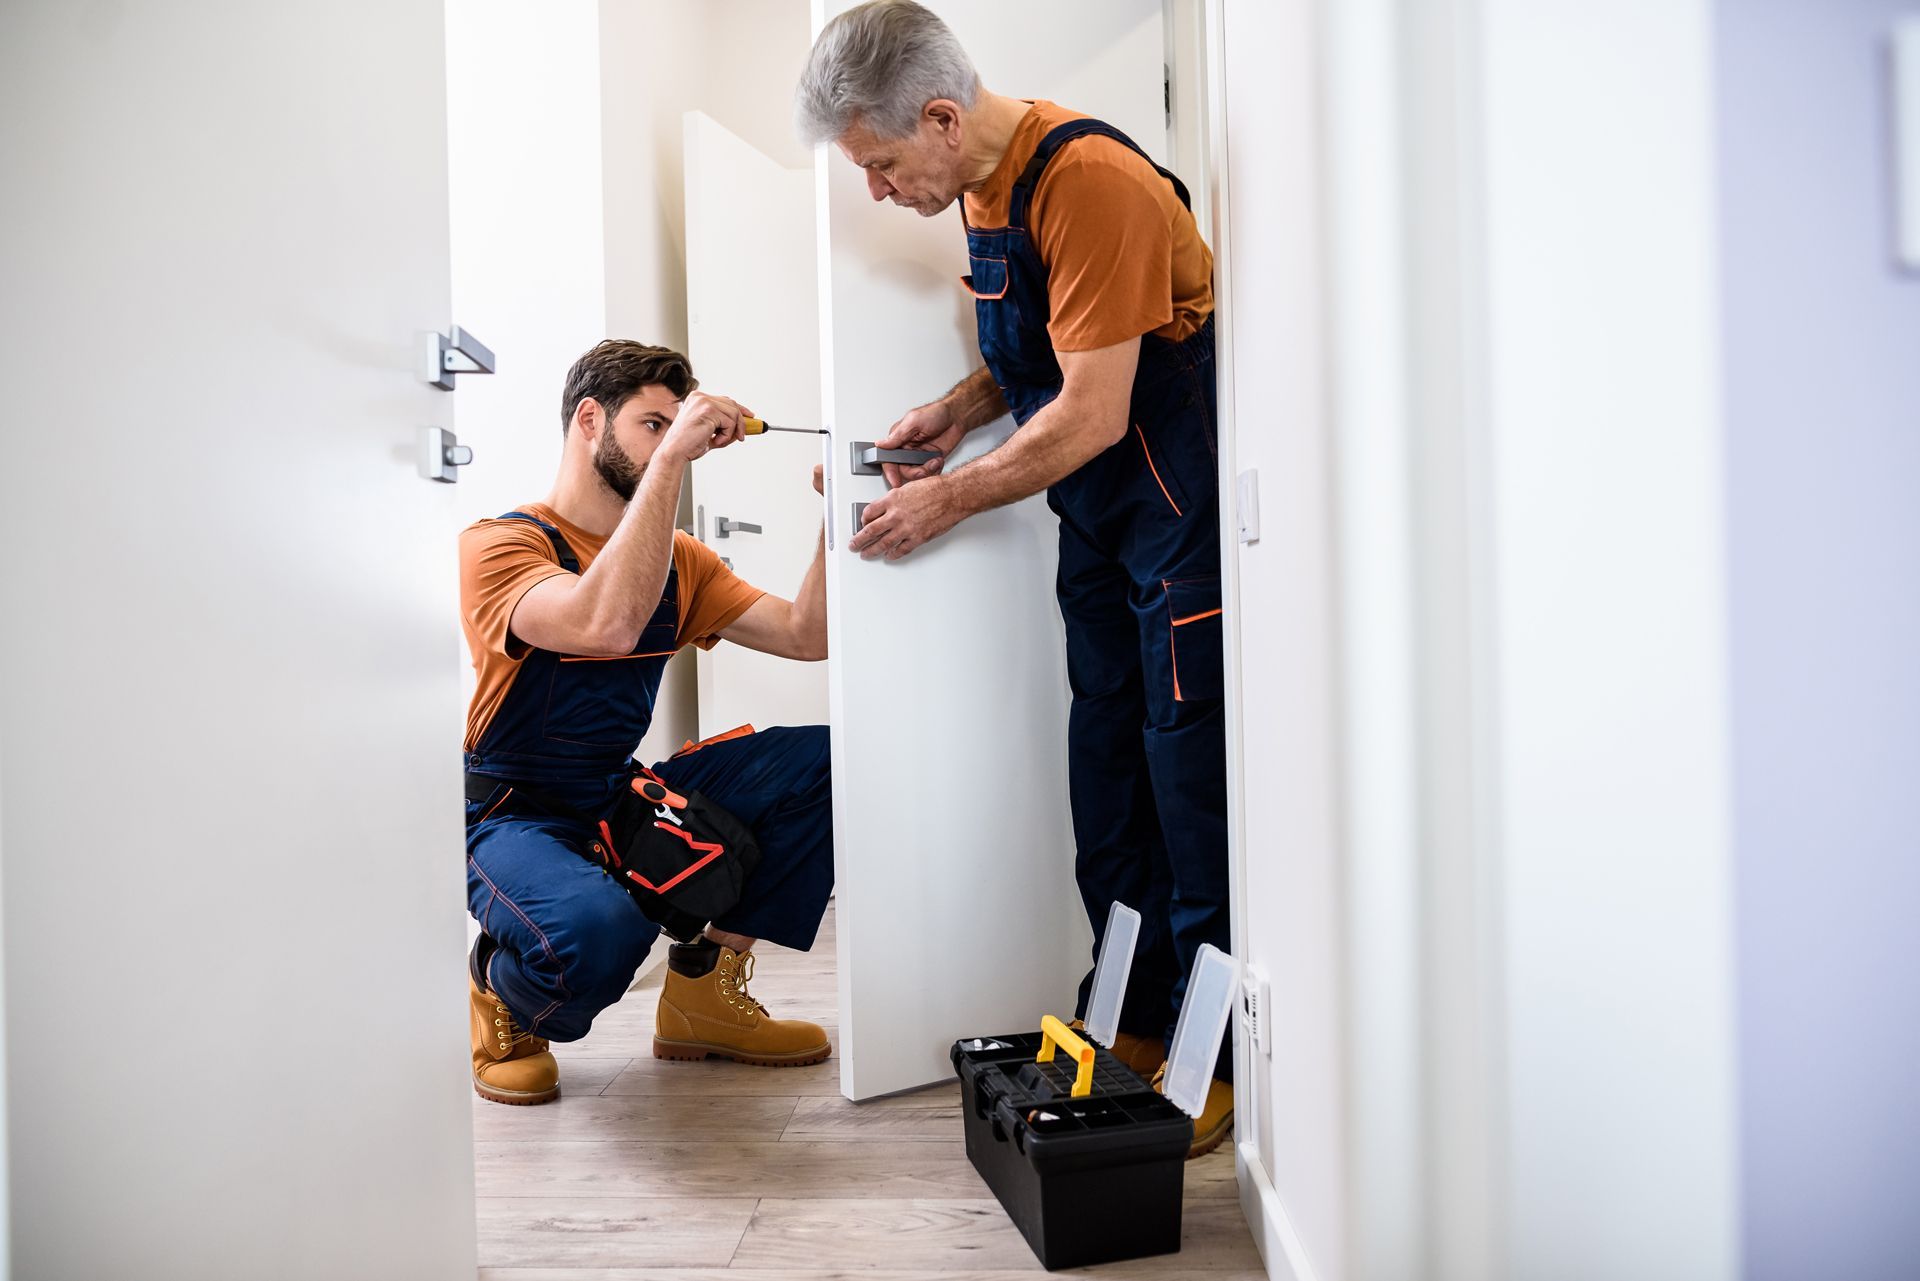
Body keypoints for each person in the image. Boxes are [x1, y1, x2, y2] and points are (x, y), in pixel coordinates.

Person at [797, 0, 1232, 1155]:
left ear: (941, 118)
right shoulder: (980, 184)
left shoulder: (1088, 180)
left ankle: (1215, 1055)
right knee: (1108, 774)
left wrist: (943, 498)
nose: (881, 193)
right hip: (1098, 521)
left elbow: (1092, 408)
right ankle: (1134, 1018)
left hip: (1171, 511)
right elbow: (1047, 352)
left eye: (883, 166)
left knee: (1189, 781)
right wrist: (954, 411)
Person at [459, 339, 834, 1105]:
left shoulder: (681, 560)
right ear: (589, 420)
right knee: (601, 935)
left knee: (829, 762)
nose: (670, 442)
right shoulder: (504, 546)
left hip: (614, 791)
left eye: (676, 426)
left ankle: (704, 996)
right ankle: (503, 989)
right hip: (511, 812)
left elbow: (807, 634)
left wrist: (841, 511)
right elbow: (606, 623)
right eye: (652, 424)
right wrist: (673, 463)